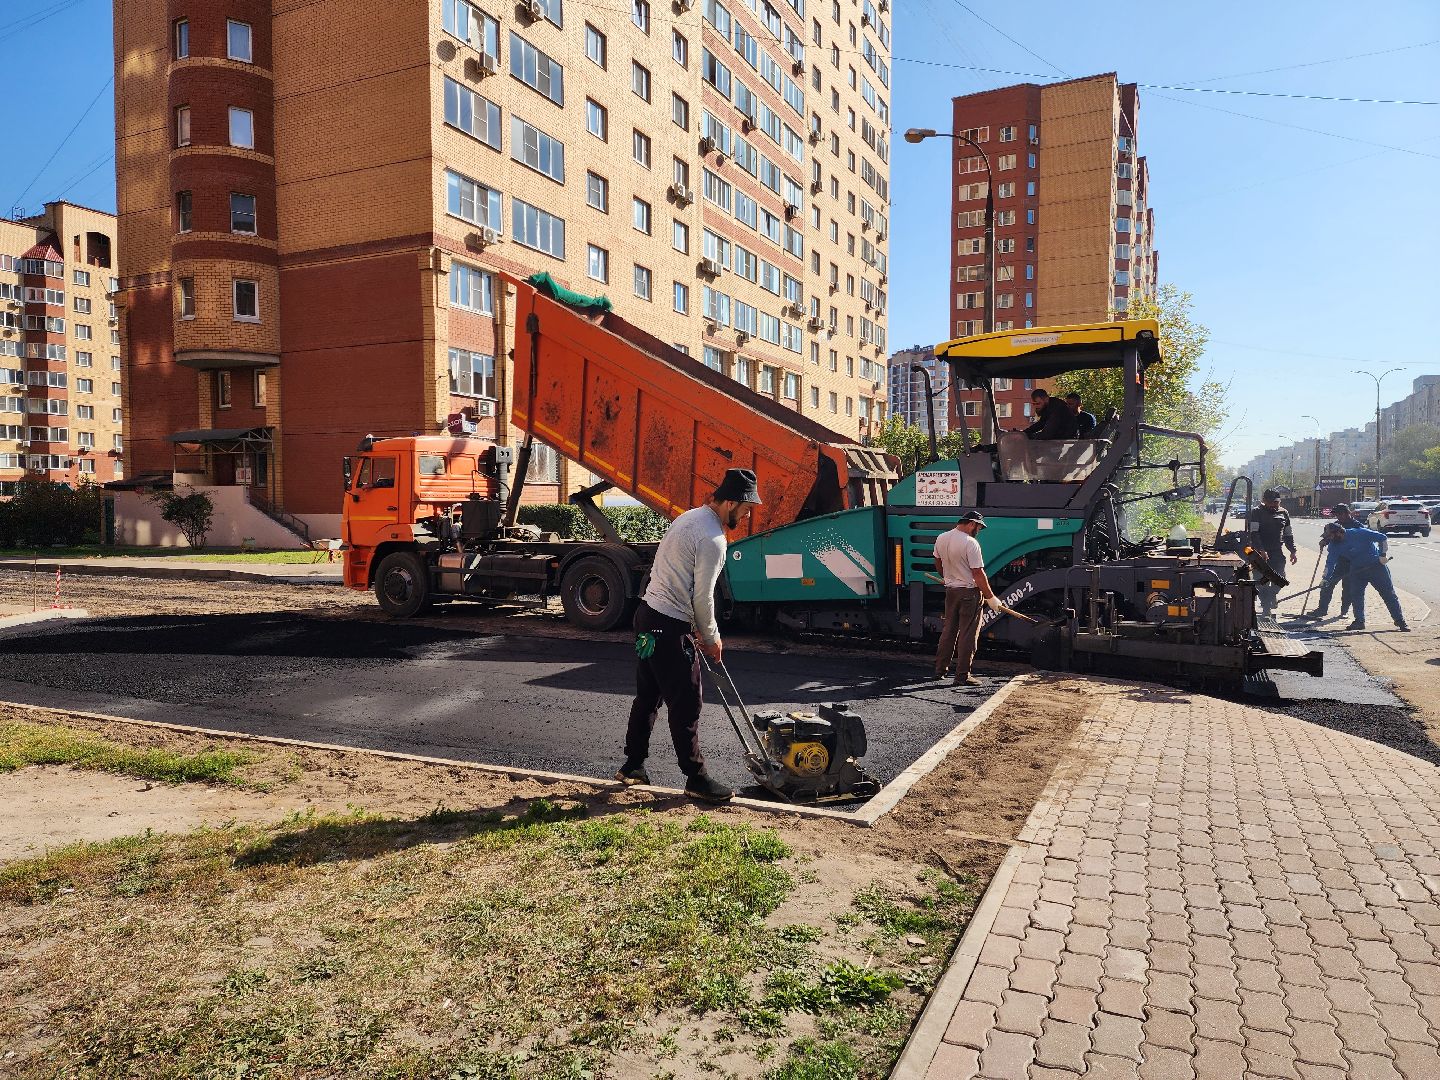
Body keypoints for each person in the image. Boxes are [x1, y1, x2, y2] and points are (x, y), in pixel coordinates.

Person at [617, 468, 762, 803]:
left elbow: (673, 574)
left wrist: (695, 626)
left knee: (648, 695)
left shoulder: (688, 518)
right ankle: (696, 778)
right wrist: (711, 638)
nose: (747, 514)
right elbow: (703, 596)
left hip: (647, 617)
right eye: (745, 508)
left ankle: (633, 765)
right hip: (668, 626)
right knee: (687, 702)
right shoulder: (713, 539)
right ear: (730, 503)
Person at [933, 510, 1002, 686]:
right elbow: (978, 573)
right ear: (972, 524)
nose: (978, 531)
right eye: (978, 527)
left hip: (951, 591)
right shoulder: (970, 543)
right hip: (969, 593)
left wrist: (948, 577)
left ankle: (940, 670)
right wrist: (991, 597)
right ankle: (962, 675)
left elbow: (938, 563)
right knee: (968, 634)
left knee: (948, 631)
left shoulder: (941, 538)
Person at [1319, 520, 1409, 632]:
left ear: (1338, 532)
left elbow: (1383, 538)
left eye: (1330, 536)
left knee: (1388, 594)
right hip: (1357, 571)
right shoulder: (1334, 546)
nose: (1329, 539)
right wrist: (1325, 578)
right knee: (1356, 595)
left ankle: (1400, 620)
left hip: (1376, 567)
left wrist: (1382, 555)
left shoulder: (1360, 533)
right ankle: (1359, 621)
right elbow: (1330, 562)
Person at [1298, 503, 1360, 621]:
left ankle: (1344, 611)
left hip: (1352, 563)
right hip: (1339, 561)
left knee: (1347, 588)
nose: (1338, 516)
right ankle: (1322, 609)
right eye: (1336, 514)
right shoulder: (1336, 524)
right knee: (1327, 584)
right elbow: (1330, 536)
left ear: (1347, 513)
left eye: (1340, 514)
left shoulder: (1357, 526)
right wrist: (1324, 541)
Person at [1247, 488, 1297, 616]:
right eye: (1270, 502)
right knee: (1261, 581)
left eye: (1276, 502)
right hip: (1259, 552)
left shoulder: (1284, 513)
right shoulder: (1256, 512)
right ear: (1264, 501)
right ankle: (1266, 607)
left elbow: (1288, 534)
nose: (1273, 505)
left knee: (1280, 579)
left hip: (1276, 552)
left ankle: (1271, 596)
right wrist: (1261, 550)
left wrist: (1292, 551)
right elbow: (1254, 533)